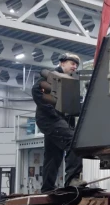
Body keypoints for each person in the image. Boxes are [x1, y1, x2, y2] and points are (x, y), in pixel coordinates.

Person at [32, 53, 83, 192]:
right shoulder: (53, 76)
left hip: (56, 120)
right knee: (74, 142)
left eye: (76, 65)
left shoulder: (69, 81)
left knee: (53, 154)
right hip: (50, 119)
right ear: (62, 63)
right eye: (72, 63)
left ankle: (47, 188)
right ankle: (72, 180)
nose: (75, 66)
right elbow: (36, 90)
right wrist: (52, 112)